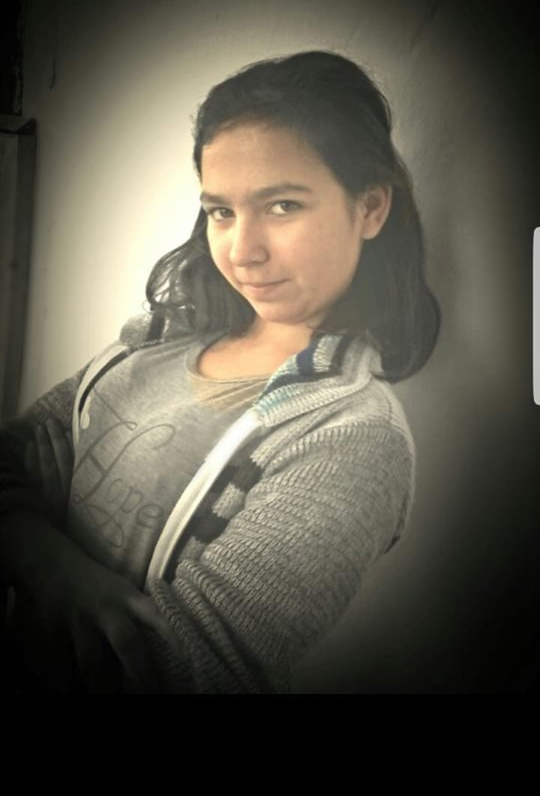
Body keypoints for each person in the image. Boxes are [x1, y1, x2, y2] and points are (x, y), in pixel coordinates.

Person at [0, 50, 440, 694]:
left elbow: (176, 669)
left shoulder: (354, 439)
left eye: (282, 206)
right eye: (221, 212)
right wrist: (50, 560)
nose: (242, 251)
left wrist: (42, 527)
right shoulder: (157, 340)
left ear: (370, 208)